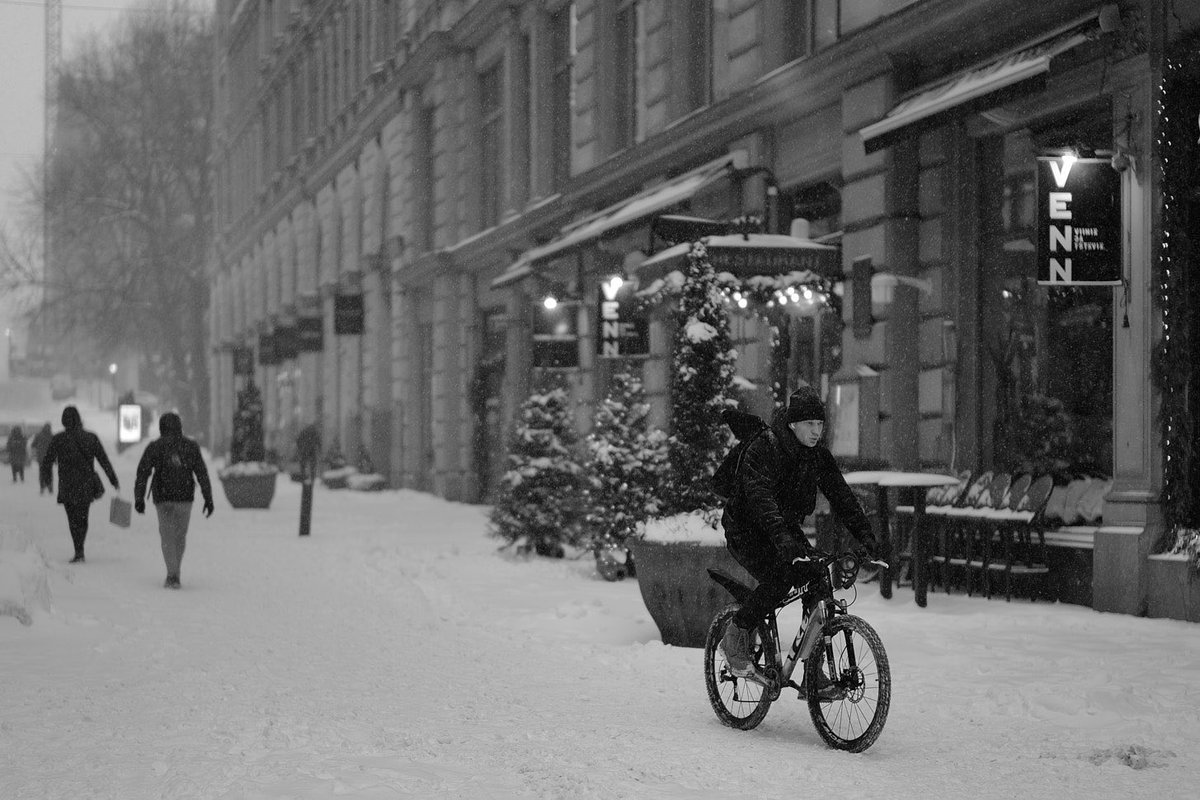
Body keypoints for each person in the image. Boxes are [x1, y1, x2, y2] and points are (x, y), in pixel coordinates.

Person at [719, 386, 878, 689]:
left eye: (820, 424)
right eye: (809, 424)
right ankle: (735, 635)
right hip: (746, 527)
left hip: (784, 529)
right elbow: (761, 500)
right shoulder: (765, 448)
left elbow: (843, 498)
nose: (816, 431)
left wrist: (868, 539)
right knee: (780, 577)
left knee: (817, 578)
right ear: (792, 424)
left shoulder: (818, 457)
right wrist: (784, 542)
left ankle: (813, 670)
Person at [133, 412, 214, 589]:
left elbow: (143, 473)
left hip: (163, 498)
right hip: (185, 497)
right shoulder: (190, 447)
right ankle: (174, 571)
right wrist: (208, 498)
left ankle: (172, 574)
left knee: (167, 536)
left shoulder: (155, 447)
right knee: (180, 536)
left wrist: (139, 498)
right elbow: (201, 473)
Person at [40, 406, 120, 563]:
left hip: (67, 484)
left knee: (72, 518)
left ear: (64, 421)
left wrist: (48, 480)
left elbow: (47, 462)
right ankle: (80, 548)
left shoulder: (58, 439)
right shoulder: (90, 437)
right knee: (83, 517)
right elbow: (103, 460)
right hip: (85, 484)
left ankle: (77, 549)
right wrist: (113, 480)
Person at [30, 423, 54, 494]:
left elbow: (33, 445)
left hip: (41, 458)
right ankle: (49, 487)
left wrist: (37, 450)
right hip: (49, 458)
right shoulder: (51, 436)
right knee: (49, 472)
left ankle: (42, 487)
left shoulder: (39, 435)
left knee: (42, 473)